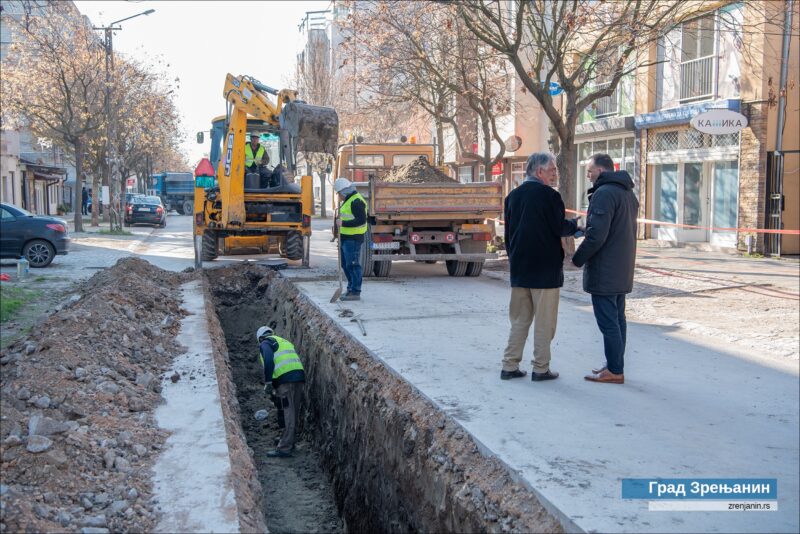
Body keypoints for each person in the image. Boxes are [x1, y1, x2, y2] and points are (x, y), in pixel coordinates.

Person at [500, 153, 579, 382]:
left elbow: (508, 235)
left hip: (520, 268)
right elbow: (559, 227)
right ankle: (540, 368)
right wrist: (577, 225)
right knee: (545, 323)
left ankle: (509, 365)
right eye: (552, 169)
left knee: (519, 320)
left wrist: (514, 259)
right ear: (539, 171)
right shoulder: (549, 196)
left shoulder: (512, 197)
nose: (555, 172)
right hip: (545, 270)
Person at [571, 153, 639, 385]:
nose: (588, 175)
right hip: (622, 267)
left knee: (609, 322)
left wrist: (577, 259)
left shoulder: (604, 194)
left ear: (601, 170)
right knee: (618, 320)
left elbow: (596, 236)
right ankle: (614, 365)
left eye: (589, 171)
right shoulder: (627, 193)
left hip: (605, 270)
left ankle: (615, 370)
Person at [256, 326, 305, 457]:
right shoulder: (283, 341)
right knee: (293, 412)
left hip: (285, 381)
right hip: (299, 377)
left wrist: (268, 382)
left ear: (260, 338)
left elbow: (268, 360)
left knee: (288, 413)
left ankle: (284, 448)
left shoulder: (265, 343)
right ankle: (289, 440)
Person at [334, 177, 368, 301]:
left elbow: (361, 220)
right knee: (345, 264)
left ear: (343, 192)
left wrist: (343, 224)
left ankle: (355, 291)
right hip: (345, 238)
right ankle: (350, 289)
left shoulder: (356, 201)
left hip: (353, 239)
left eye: (338, 194)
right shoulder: (348, 200)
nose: (338, 196)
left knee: (353, 265)